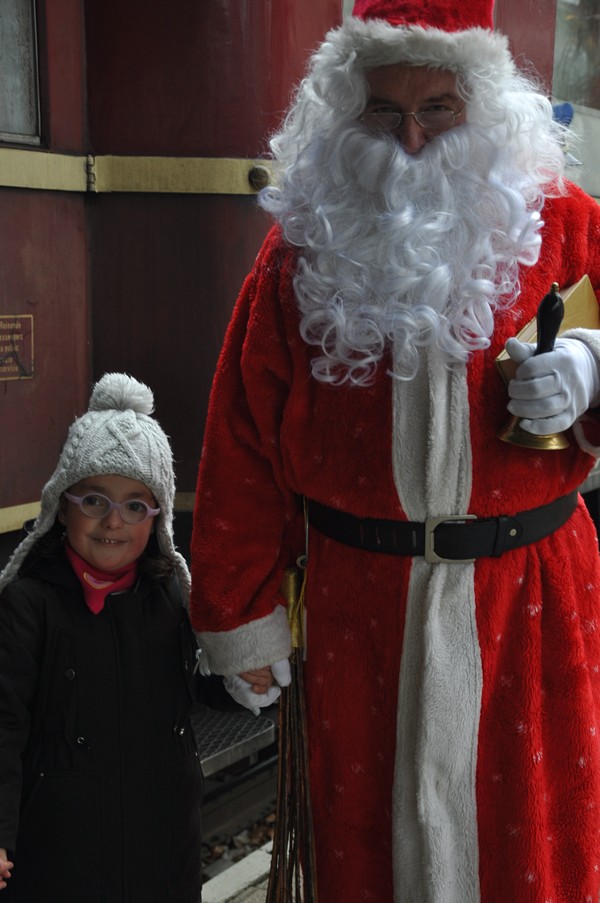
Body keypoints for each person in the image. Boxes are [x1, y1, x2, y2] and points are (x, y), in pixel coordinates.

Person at [189, 1, 600, 901]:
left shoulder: (565, 221)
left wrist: (593, 368)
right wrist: (241, 613)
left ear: (481, 105)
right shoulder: (300, 248)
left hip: (526, 604)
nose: (410, 140)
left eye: (438, 110)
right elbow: (243, 440)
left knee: (532, 846)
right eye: (385, 111)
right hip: (355, 610)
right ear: (348, 107)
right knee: (363, 845)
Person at [0, 373, 204, 903]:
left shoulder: (171, 602)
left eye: (136, 505)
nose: (113, 521)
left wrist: (247, 673)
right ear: (61, 504)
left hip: (161, 859)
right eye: (95, 500)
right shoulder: (28, 606)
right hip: (60, 866)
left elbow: (207, 688)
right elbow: (3, 727)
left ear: (157, 518)